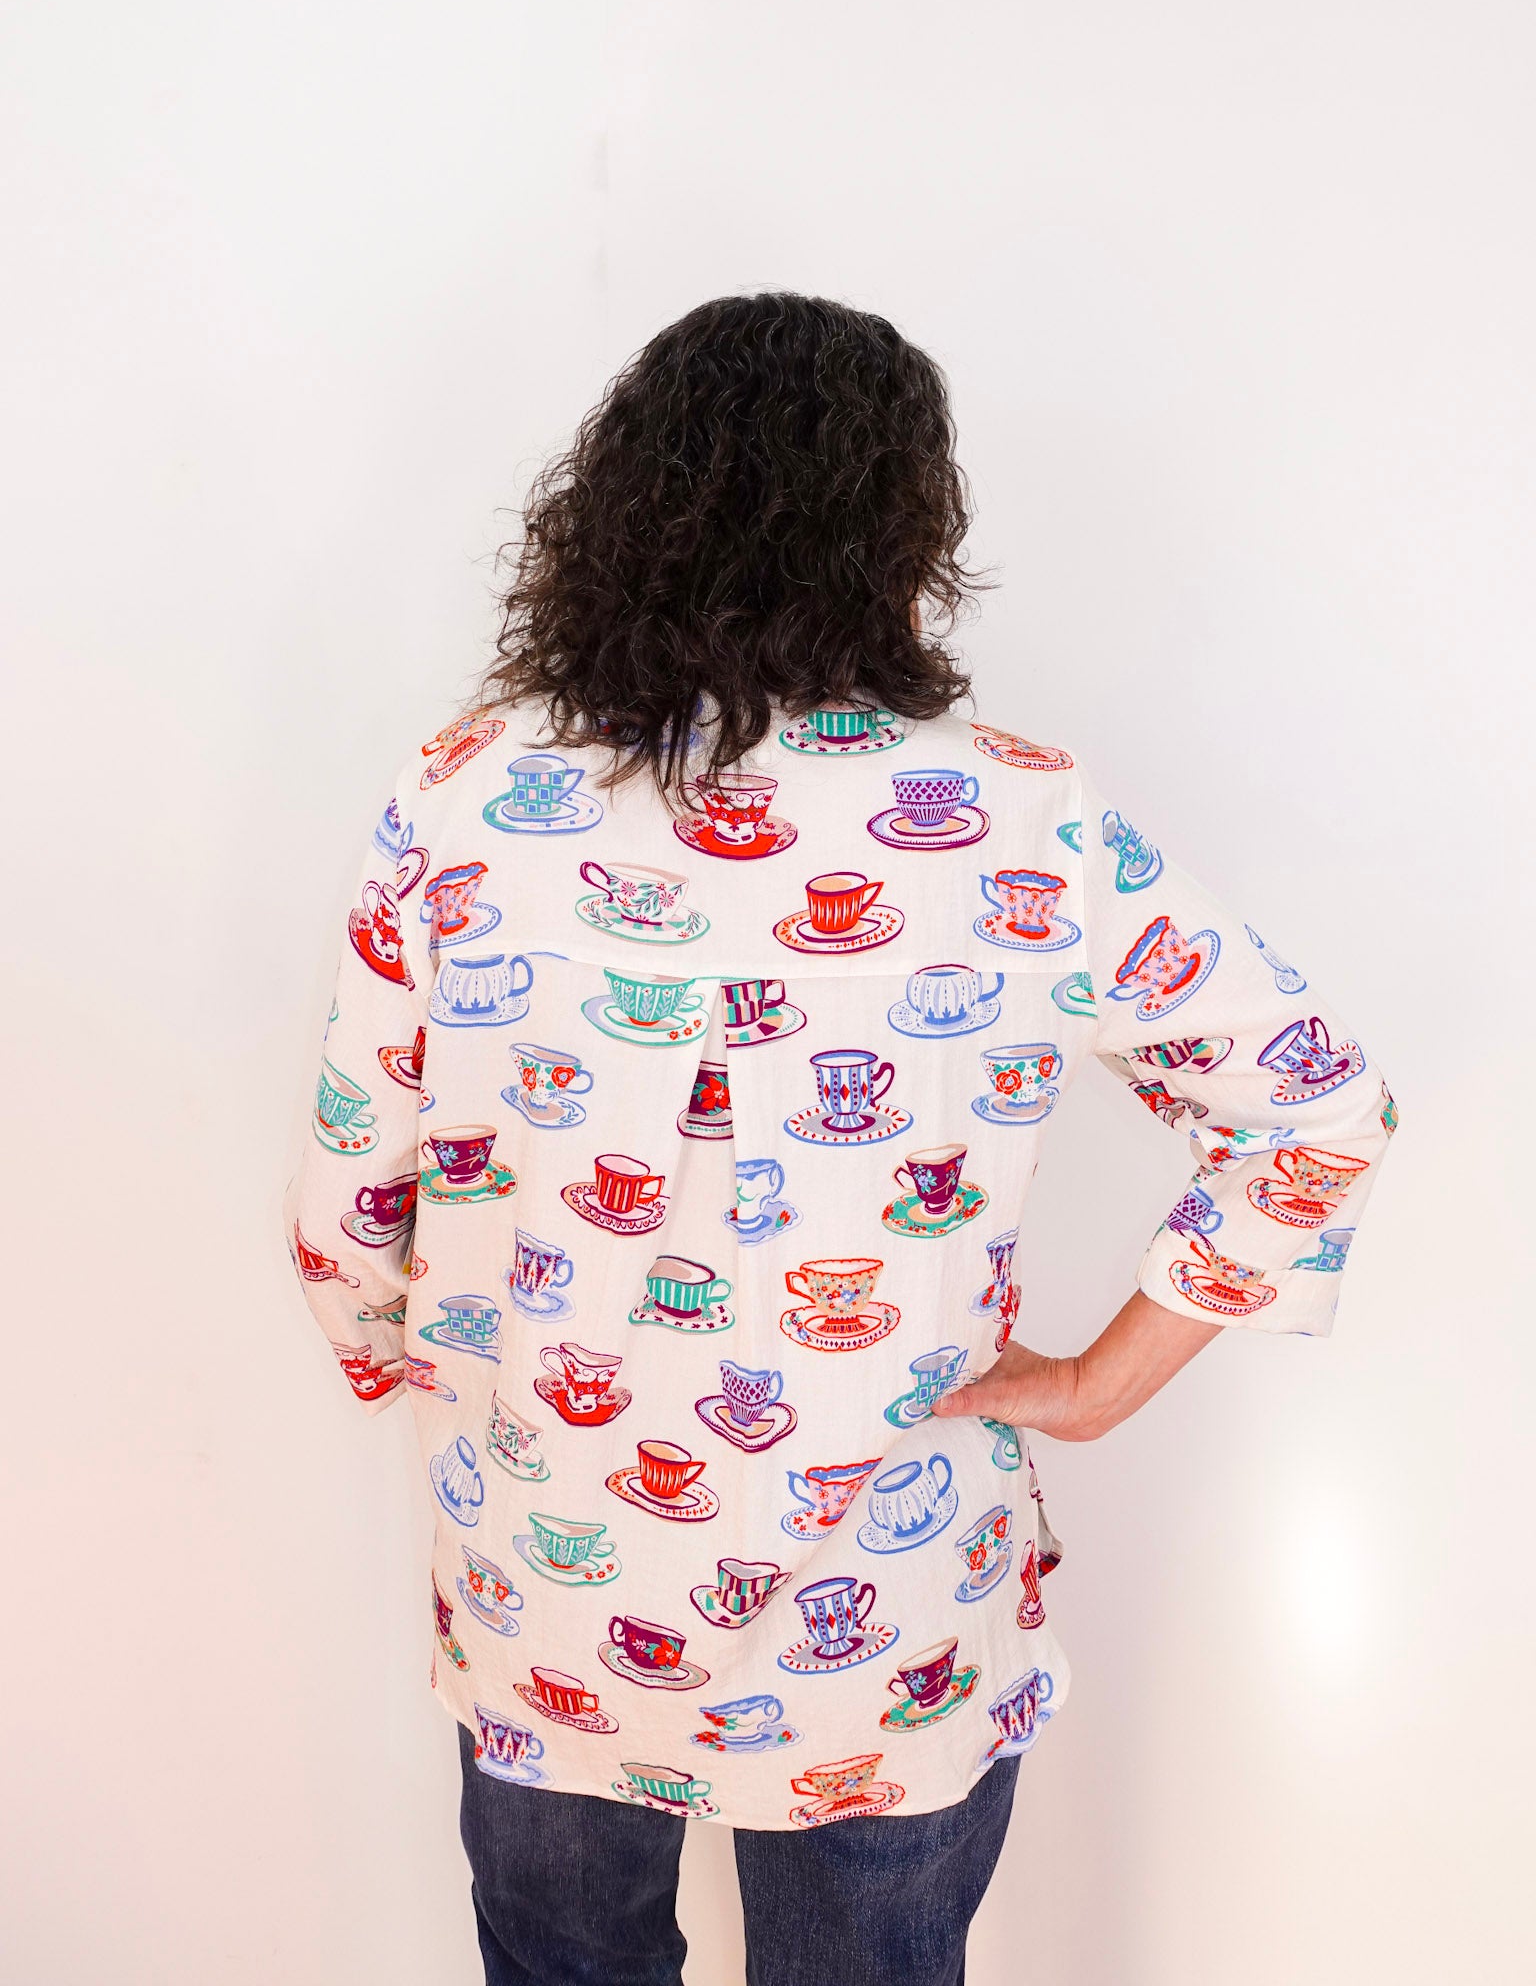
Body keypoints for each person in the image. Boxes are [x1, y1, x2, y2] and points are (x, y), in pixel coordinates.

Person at [283, 293, 1398, 1986]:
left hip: (550, 1574)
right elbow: (1310, 1104)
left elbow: (347, 1213)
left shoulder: (460, 794)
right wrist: (1095, 1386)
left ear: (617, 506)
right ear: (903, 527)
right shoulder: (1023, 819)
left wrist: (426, 1369)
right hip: (890, 1591)